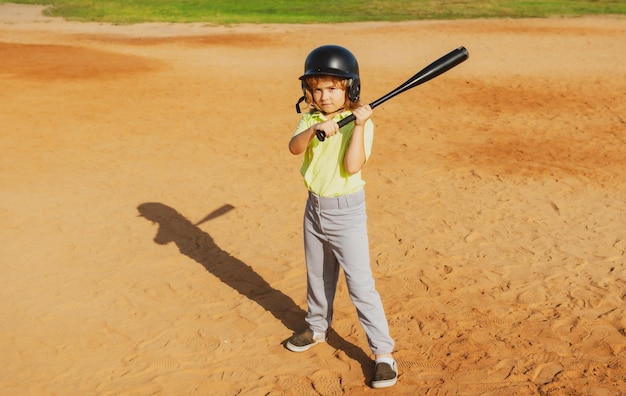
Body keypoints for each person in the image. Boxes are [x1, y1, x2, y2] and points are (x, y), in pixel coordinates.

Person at [286, 44, 397, 389]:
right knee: (318, 275)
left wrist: (357, 126)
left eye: (333, 88)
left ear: (351, 88)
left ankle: (383, 354)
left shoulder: (361, 124)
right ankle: (318, 327)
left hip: (346, 212)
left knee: (360, 285)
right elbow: (294, 147)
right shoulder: (310, 119)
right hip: (314, 209)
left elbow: (352, 166)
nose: (324, 95)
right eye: (316, 88)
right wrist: (318, 128)